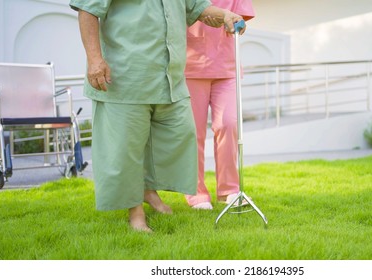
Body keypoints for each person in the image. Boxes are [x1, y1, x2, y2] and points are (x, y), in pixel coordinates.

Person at [69, 0, 245, 232]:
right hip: (126, 75)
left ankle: (147, 190)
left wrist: (224, 15)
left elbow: (197, 7)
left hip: (168, 78)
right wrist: (94, 60)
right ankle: (135, 213)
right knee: (126, 149)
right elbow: (87, 9)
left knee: (179, 134)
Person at [185, 0, 255, 210]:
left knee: (228, 124)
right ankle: (196, 193)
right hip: (190, 67)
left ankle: (229, 190)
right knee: (193, 133)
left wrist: (238, 24)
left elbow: (242, 19)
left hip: (226, 67)